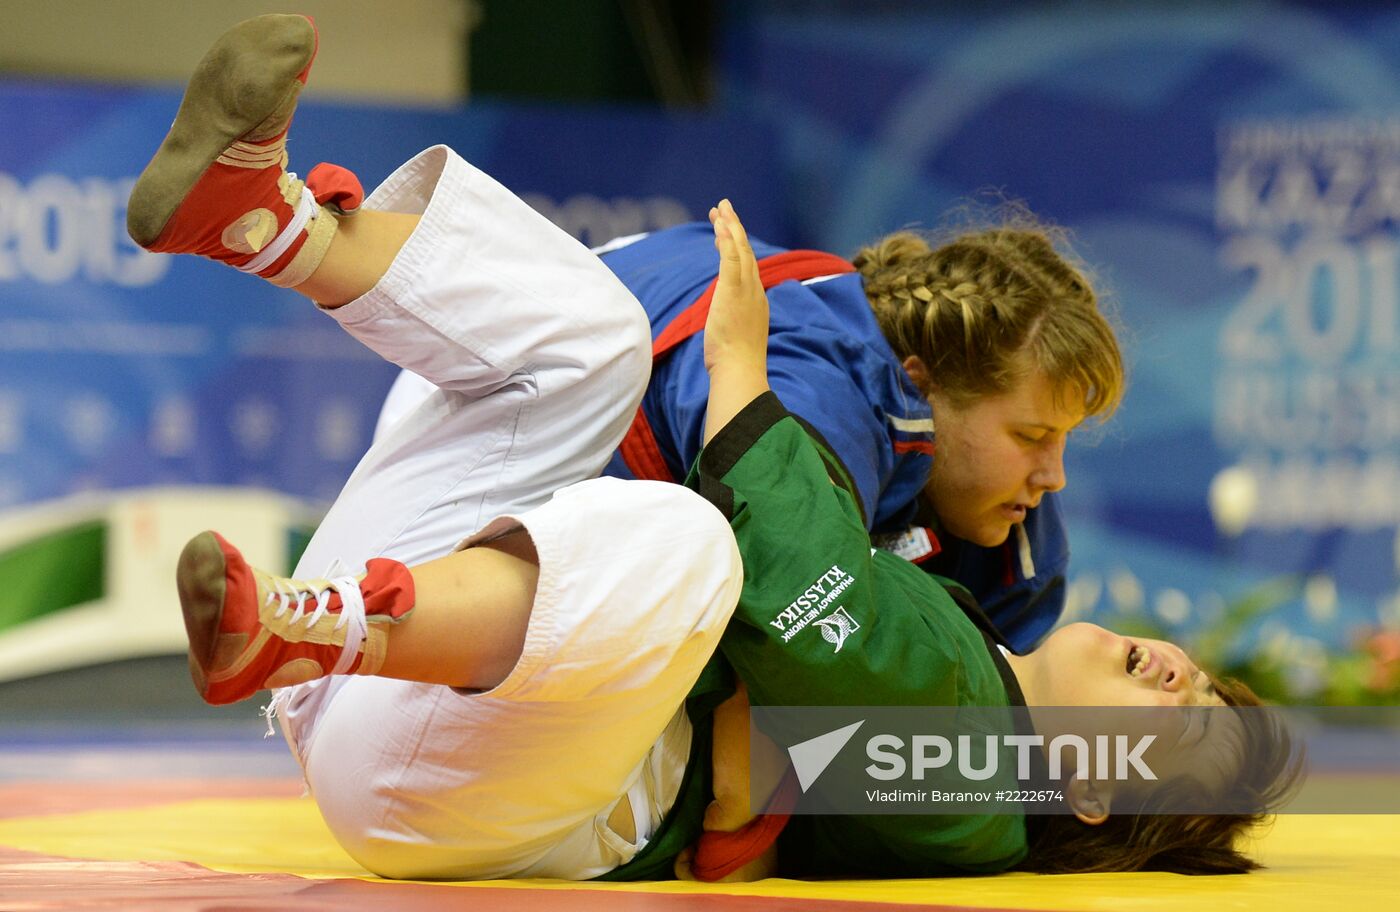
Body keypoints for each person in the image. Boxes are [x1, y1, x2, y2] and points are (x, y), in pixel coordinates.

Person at [131, 14, 1298, 883]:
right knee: (596, 337)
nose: (1175, 669)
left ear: (1095, 794)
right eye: (1197, 671)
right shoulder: (983, 660)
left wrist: (739, 374)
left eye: (1183, 721)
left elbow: (793, 636)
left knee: (696, 544)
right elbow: (782, 739)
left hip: (464, 785)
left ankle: (310, 629)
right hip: (412, 659)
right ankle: (263, 221)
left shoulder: (984, 784)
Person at [374, 179, 1123, 656]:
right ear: (924, 385)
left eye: (1063, 440)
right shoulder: (825, 391)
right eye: (1030, 436)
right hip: (470, 425)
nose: (1051, 475)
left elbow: (986, 727)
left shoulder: (1010, 535)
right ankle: (297, 236)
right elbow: (785, 642)